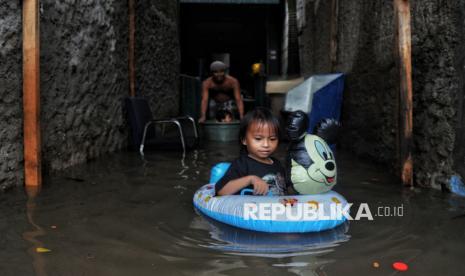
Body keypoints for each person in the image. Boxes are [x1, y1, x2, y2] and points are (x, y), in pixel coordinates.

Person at [215, 107, 286, 196]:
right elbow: (221, 191)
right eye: (258, 139)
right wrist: (250, 179)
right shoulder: (242, 164)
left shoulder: (277, 164)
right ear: (244, 140)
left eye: (272, 139)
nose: (266, 144)